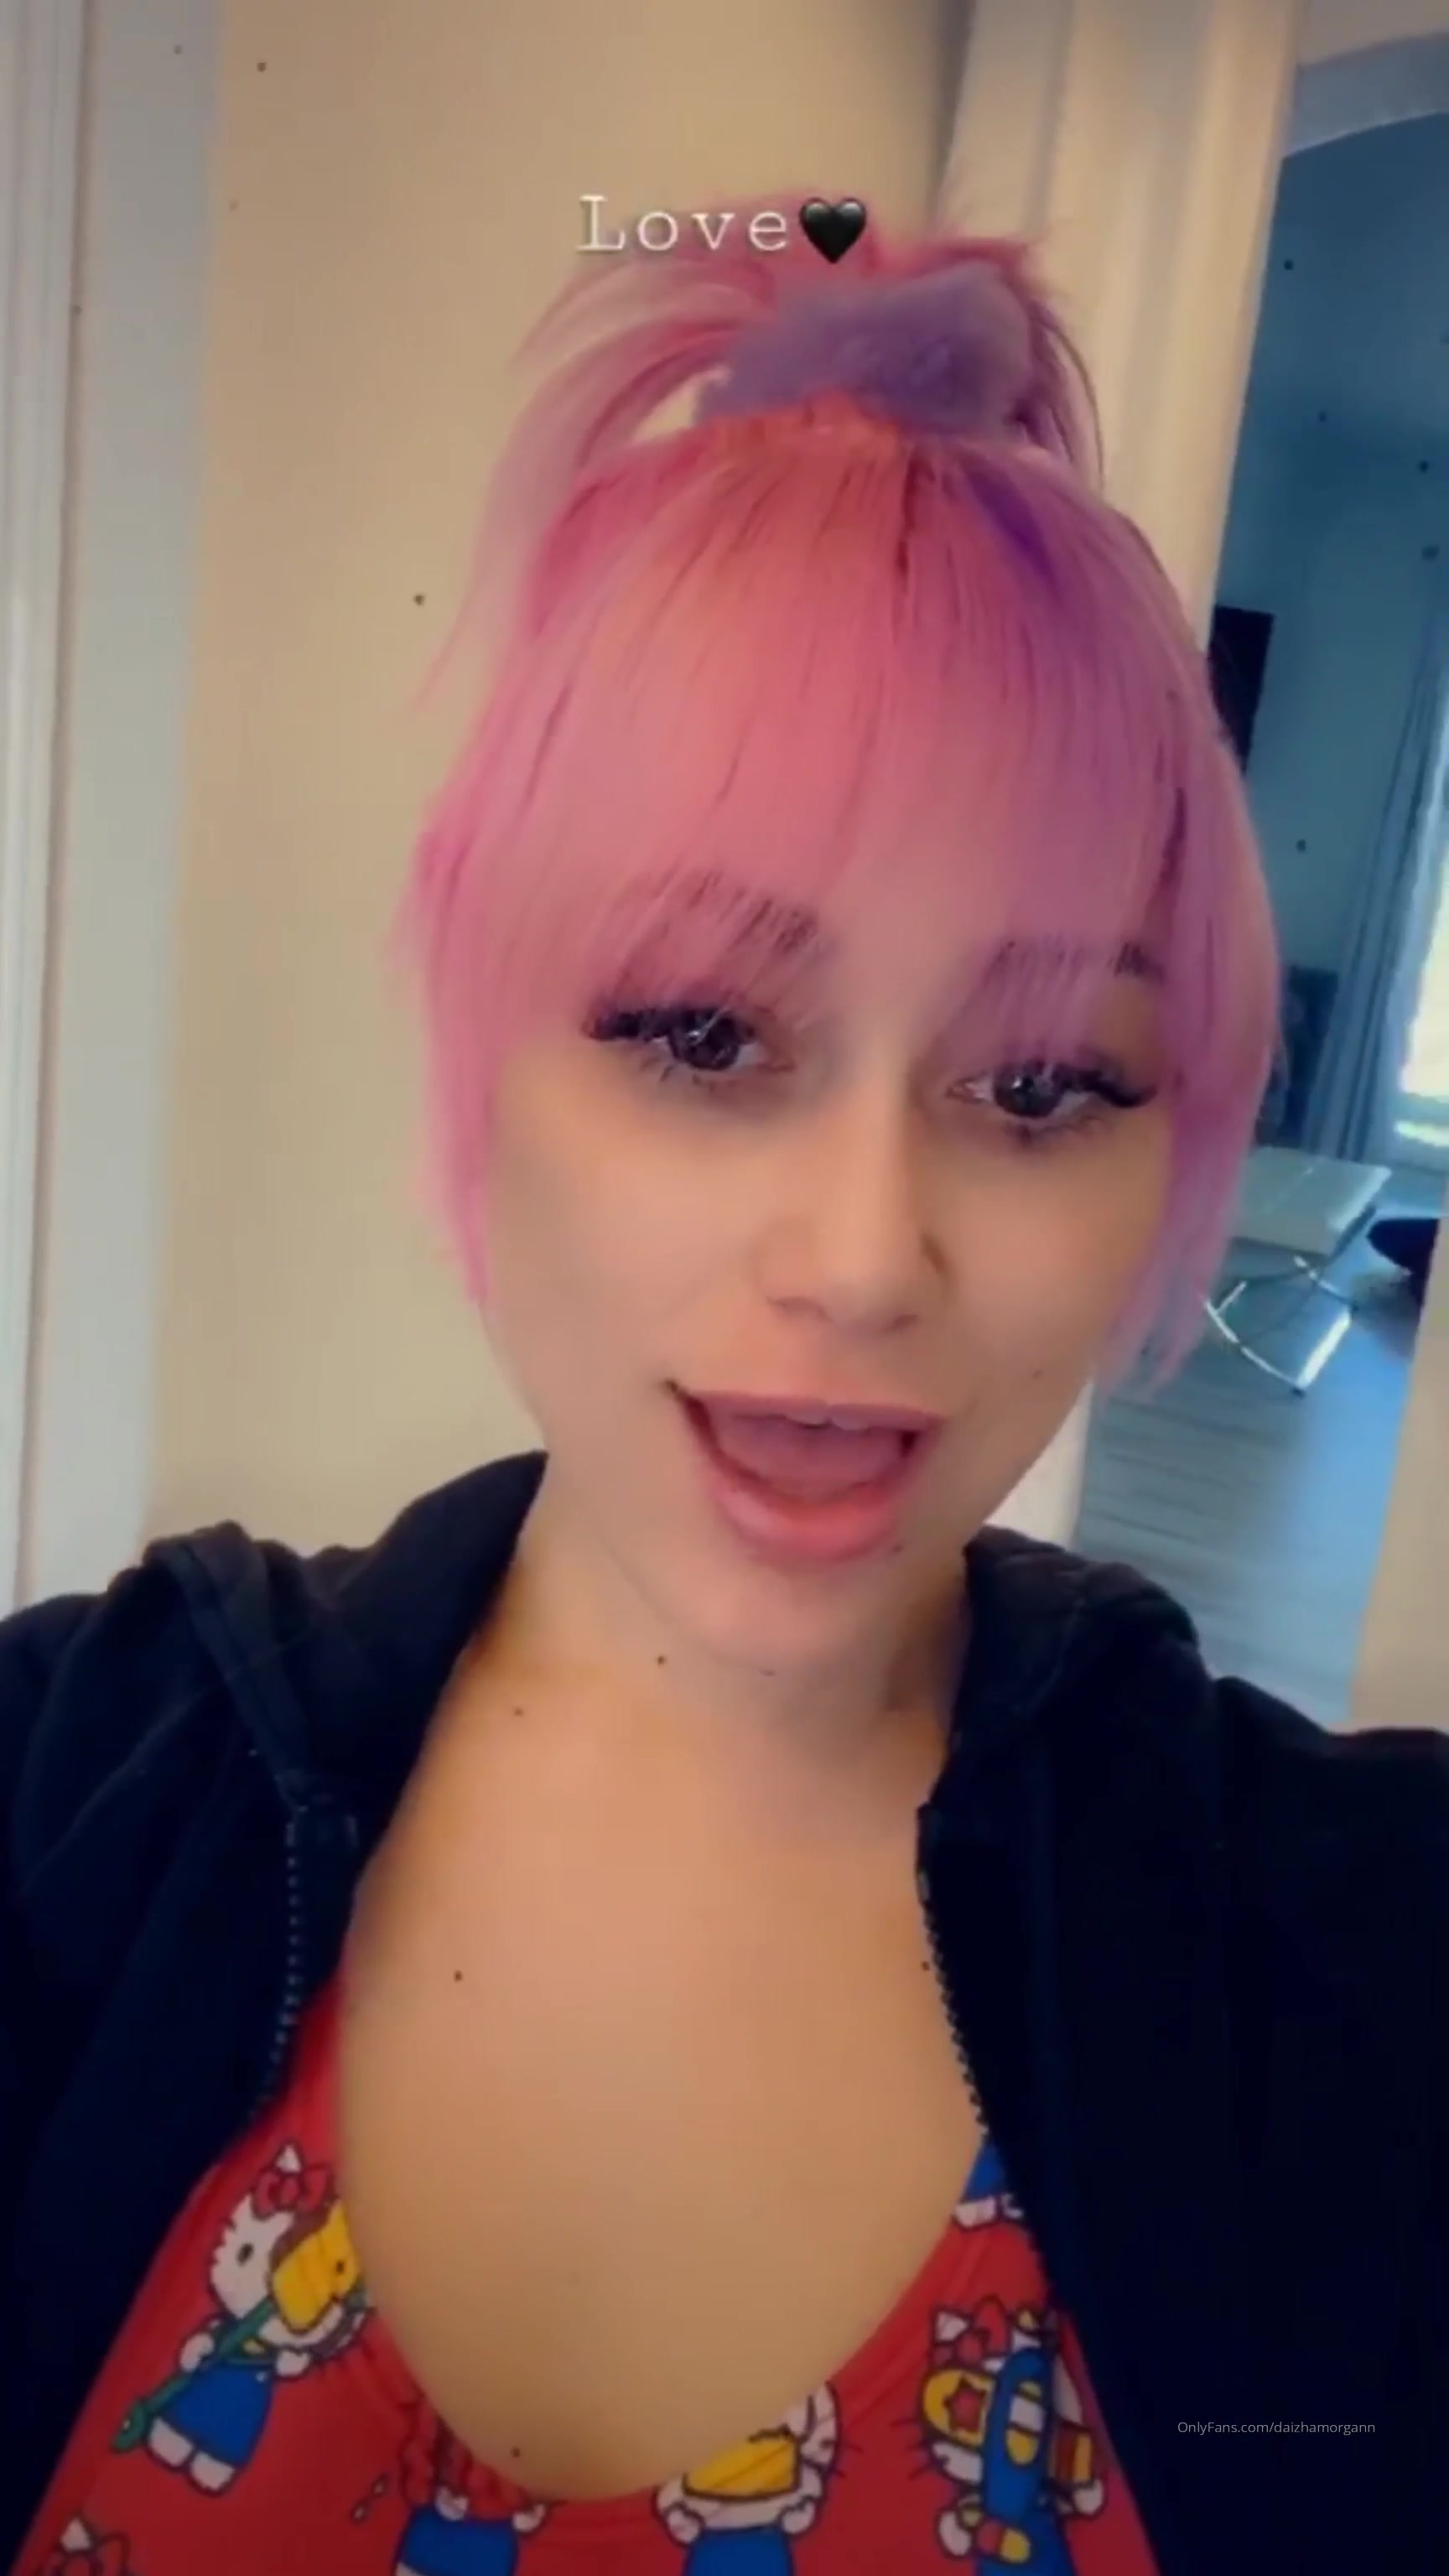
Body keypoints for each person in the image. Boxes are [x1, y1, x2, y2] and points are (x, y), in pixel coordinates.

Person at [2, 193, 1445, 2576]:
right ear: (484, 1047)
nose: (867, 1259)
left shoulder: (1357, 1969)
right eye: (700, 1032)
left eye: (1044, 1083)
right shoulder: (71, 1802)